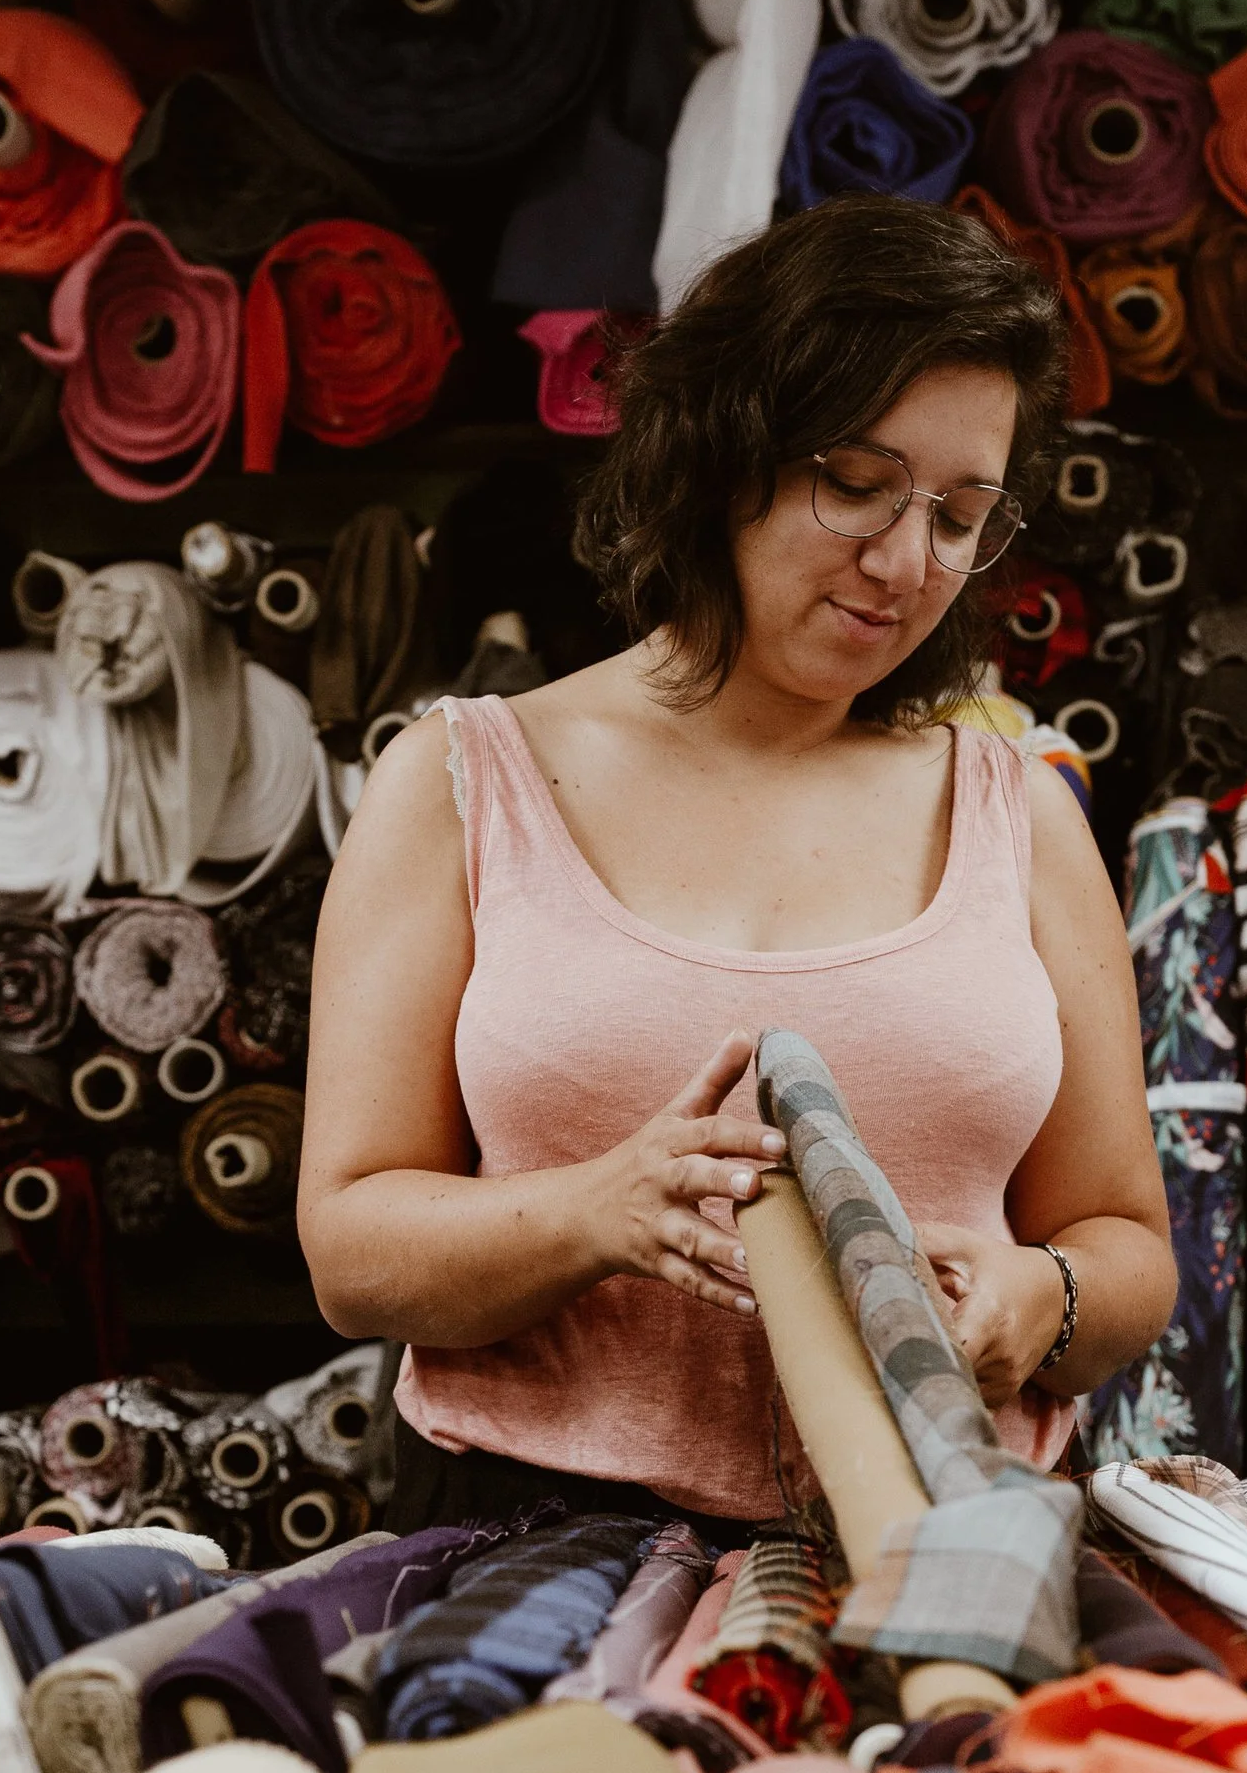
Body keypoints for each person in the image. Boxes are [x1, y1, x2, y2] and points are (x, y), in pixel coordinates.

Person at [298, 193, 1176, 1534]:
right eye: (859, 485)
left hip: (948, 1540)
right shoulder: (466, 781)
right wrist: (601, 1211)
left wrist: (1034, 1304)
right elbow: (351, 1252)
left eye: (961, 512)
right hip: (531, 1544)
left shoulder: (1017, 810)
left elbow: (1124, 1245)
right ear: (724, 450)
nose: (906, 561)